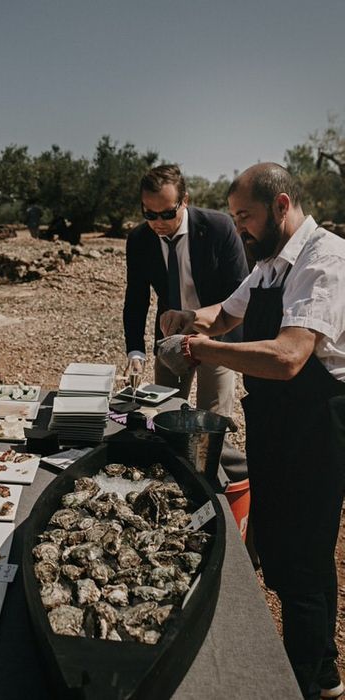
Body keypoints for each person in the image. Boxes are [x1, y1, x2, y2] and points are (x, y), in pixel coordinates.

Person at [157, 163, 345, 700]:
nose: (238, 228)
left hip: (315, 428)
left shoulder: (324, 259)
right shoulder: (267, 265)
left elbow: (289, 356)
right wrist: (187, 318)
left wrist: (200, 351)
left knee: (305, 558)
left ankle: (315, 681)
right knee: (279, 551)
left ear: (282, 206)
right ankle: (309, 667)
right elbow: (225, 314)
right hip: (274, 424)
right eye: (236, 217)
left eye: (246, 217)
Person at [123, 164, 248, 416]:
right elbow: (136, 298)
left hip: (217, 331)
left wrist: (211, 327)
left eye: (167, 214)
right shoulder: (139, 239)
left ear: (185, 201)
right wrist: (135, 351)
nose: (158, 223)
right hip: (171, 332)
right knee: (164, 414)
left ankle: (212, 457)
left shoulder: (219, 228)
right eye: (149, 214)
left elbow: (240, 291)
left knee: (213, 419)